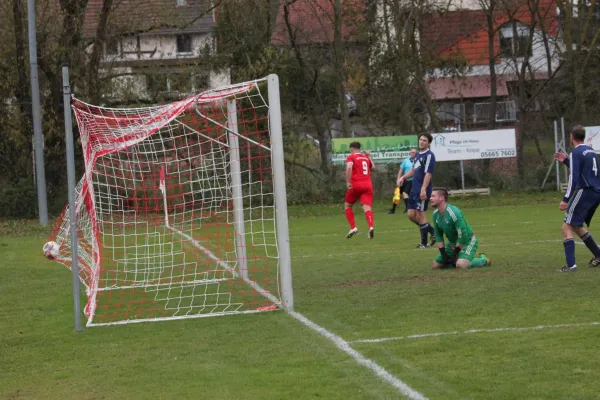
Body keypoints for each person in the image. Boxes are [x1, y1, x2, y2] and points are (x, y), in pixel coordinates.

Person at [553, 125, 600, 272]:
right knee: (577, 225)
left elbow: (573, 178)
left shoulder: (576, 152)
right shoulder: (592, 152)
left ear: (572, 137)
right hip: (596, 192)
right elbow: (587, 171)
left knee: (566, 226)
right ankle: (599, 255)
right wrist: (566, 161)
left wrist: (565, 199)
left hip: (585, 191)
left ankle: (571, 265)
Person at [430, 188, 491, 269]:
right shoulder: (435, 215)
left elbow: (463, 235)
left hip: (468, 240)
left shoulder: (454, 212)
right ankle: (456, 262)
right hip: (453, 243)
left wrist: (455, 254)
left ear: (441, 198)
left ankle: (484, 260)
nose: (430, 198)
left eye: (433, 196)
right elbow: (438, 235)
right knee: (436, 266)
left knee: (461, 265)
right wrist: (443, 254)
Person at [397, 133, 436, 248]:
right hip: (414, 190)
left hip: (422, 190)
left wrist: (423, 189)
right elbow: (414, 170)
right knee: (411, 215)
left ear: (429, 143)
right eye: (420, 140)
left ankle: (424, 244)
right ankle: (433, 231)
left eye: (424, 140)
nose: (421, 142)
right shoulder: (418, 154)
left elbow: (428, 173)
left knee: (421, 215)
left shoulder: (429, 155)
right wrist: (403, 177)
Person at [344, 141, 375, 239]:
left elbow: (349, 167)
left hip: (356, 185)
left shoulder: (351, 157)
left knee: (348, 205)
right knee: (367, 208)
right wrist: (368, 156)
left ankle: (353, 227)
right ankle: (370, 226)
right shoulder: (365, 157)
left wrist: (348, 181)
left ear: (351, 149)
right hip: (368, 185)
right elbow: (373, 168)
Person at [388, 148, 417, 214]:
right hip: (404, 180)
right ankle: (393, 210)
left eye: (414, 152)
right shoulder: (406, 160)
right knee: (397, 193)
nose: (413, 154)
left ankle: (408, 209)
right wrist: (398, 179)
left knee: (405, 193)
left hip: (412, 180)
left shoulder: (417, 161)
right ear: (410, 153)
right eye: (412, 152)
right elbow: (401, 170)